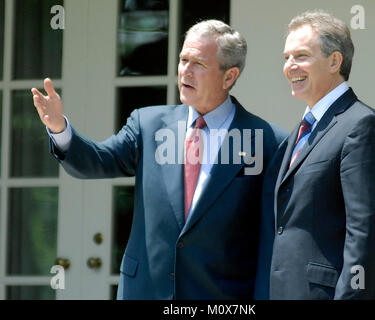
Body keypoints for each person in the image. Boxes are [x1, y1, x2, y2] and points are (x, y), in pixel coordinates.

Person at [31, 20, 287, 299]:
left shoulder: (266, 141)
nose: (185, 71)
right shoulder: (148, 124)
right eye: (183, 60)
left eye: (198, 63)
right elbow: (97, 160)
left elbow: (271, 239)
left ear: (229, 77)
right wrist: (59, 129)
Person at [254, 11, 375, 299]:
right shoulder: (300, 132)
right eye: (286, 57)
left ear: (334, 61)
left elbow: (366, 235)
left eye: (301, 55)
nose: (289, 66)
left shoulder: (362, 125)